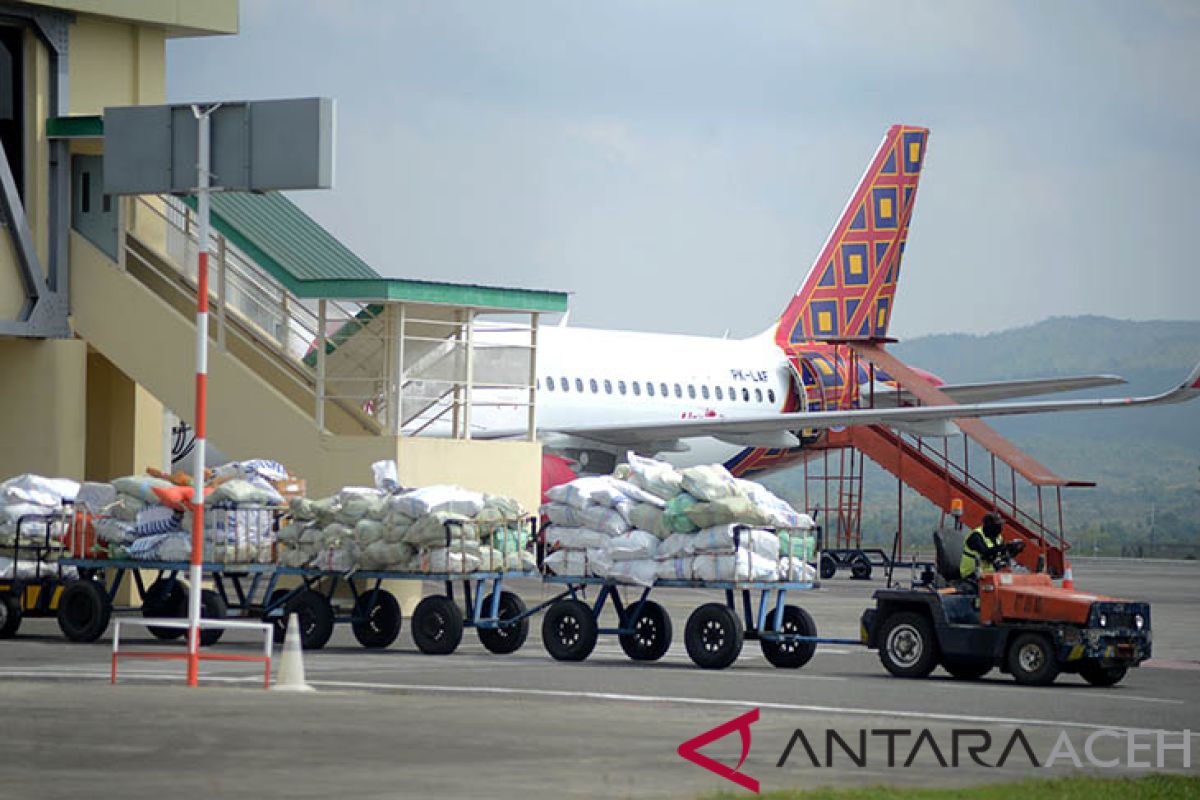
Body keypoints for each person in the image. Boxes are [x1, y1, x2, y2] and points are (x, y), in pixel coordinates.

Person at [959, 512, 1007, 580]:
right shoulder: (976, 536)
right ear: (990, 525)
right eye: (998, 525)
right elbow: (986, 553)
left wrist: (1010, 550)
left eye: (1001, 525)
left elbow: (1001, 554)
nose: (1001, 527)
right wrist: (1002, 548)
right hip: (971, 574)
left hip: (987, 572)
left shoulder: (998, 537)